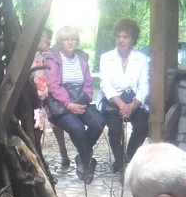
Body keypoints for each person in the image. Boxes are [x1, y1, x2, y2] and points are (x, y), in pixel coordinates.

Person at [44, 26, 105, 183]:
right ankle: (88, 162)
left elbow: (88, 83)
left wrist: (85, 98)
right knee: (77, 128)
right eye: (66, 39)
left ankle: (82, 158)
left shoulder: (82, 57)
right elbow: (53, 86)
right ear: (60, 42)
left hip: (80, 100)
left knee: (99, 121)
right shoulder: (52, 58)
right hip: (60, 104)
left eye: (73, 39)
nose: (70, 42)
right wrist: (69, 104)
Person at [98, 18, 149, 173]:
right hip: (113, 102)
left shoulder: (141, 58)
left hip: (134, 102)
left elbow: (144, 84)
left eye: (125, 37)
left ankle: (129, 156)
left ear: (132, 39)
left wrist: (133, 105)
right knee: (114, 130)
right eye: (119, 36)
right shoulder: (106, 57)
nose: (121, 40)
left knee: (142, 126)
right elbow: (105, 84)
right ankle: (119, 162)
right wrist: (121, 105)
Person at [31, 28, 71, 168]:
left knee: (56, 123)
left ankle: (63, 152)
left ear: (48, 39)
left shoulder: (54, 55)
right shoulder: (30, 56)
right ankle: (37, 155)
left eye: (42, 35)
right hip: (35, 95)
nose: (39, 38)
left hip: (53, 94)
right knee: (36, 124)